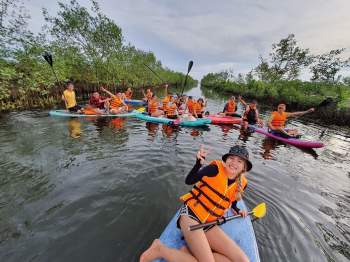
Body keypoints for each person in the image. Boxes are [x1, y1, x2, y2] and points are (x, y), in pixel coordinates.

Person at [140, 145, 252, 262]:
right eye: (232, 158)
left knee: (243, 260)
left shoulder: (242, 183)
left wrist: (238, 210)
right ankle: (160, 249)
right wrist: (198, 163)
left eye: (239, 161)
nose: (234, 163)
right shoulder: (214, 169)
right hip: (191, 215)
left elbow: (232, 201)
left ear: (244, 167)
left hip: (209, 223)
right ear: (226, 159)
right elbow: (189, 180)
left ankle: (188, 252)